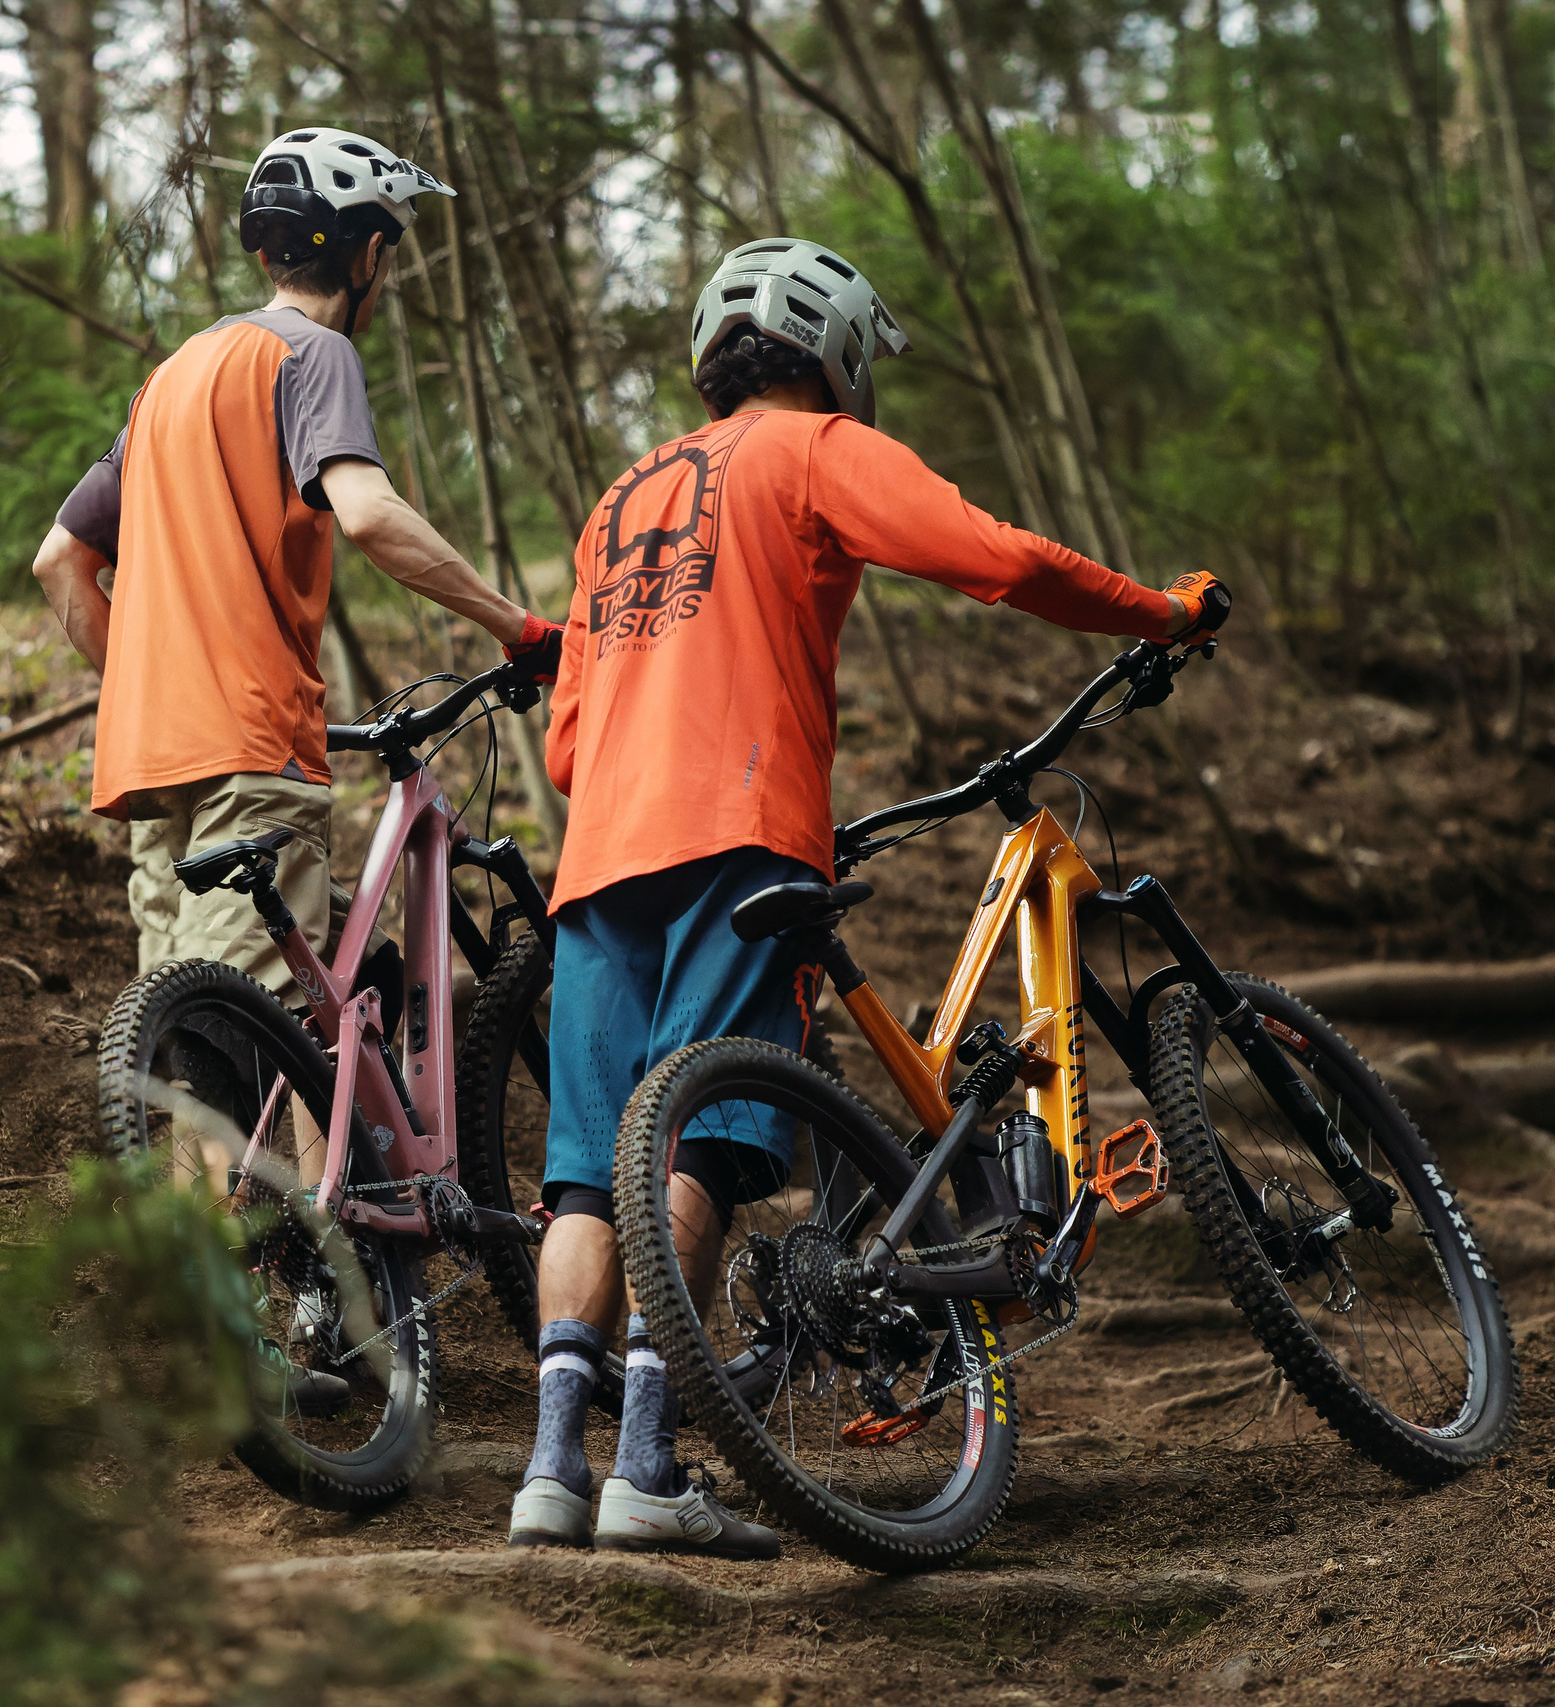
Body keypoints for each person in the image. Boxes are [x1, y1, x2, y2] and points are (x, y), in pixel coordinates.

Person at [508, 239, 1229, 1558]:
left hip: (598, 863)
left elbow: (564, 745)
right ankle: (649, 1465)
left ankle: (553, 1470)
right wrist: (1156, 613)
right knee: (698, 1152)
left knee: (583, 1183)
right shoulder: (814, 448)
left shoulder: (618, 500)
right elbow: (990, 555)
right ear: (830, 349)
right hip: (735, 831)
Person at [32, 125, 562, 997]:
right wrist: (518, 625)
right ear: (371, 255)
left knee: (199, 1058)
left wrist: (150, 685)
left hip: (150, 765)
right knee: (252, 1056)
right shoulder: (315, 354)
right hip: (250, 754)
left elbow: (61, 562)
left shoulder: (170, 379)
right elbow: (369, 515)